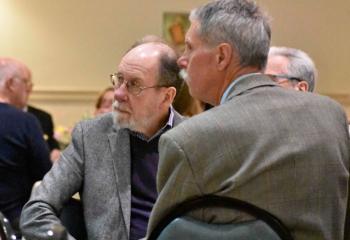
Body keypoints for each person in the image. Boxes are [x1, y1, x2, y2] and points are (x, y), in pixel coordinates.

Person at [146, 0, 350, 239]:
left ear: (222, 56)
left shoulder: (187, 140)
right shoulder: (331, 115)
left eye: (190, 47)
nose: (182, 59)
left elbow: (166, 234)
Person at [20, 42, 184, 240]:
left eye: (134, 84)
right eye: (119, 80)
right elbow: (36, 209)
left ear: (167, 96)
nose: (119, 93)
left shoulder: (196, 138)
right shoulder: (91, 135)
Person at [0, 57, 51, 236]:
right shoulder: (25, 121)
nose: (30, 88)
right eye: (26, 82)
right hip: (12, 221)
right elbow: (45, 174)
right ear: (11, 83)